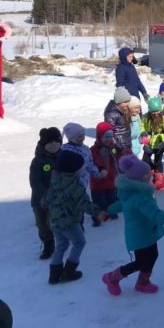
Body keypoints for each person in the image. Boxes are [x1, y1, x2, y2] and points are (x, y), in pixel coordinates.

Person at [102, 156, 164, 296]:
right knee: (141, 262)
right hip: (140, 235)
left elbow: (120, 205)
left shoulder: (133, 193)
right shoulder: (139, 198)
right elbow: (155, 213)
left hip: (146, 232)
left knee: (152, 255)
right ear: (139, 179)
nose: (150, 175)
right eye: (147, 174)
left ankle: (143, 282)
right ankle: (112, 277)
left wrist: (108, 211)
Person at [45, 150, 104, 285]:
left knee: (61, 245)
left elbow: (47, 198)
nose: (82, 169)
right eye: (81, 167)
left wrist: (44, 202)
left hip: (55, 221)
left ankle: (54, 275)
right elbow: (83, 202)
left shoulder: (55, 180)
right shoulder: (74, 185)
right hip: (69, 221)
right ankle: (69, 271)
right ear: (72, 169)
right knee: (79, 242)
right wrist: (97, 212)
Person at [29, 127, 62, 259]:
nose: (54, 145)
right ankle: (48, 244)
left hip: (59, 198)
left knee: (56, 221)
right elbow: (35, 181)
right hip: (40, 200)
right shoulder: (38, 161)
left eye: (56, 142)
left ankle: (61, 241)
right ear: (44, 144)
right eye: (50, 142)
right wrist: (46, 195)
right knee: (43, 224)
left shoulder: (63, 157)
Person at [140, 96, 164, 190]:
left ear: (160, 109)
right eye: (153, 111)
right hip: (149, 142)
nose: (155, 113)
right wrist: (143, 134)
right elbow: (142, 127)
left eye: (157, 111)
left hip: (160, 143)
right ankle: (151, 171)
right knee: (145, 160)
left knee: (158, 161)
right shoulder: (146, 117)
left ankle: (159, 179)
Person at [89, 122, 119, 226]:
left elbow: (120, 156)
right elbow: (91, 162)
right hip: (98, 182)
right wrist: (100, 168)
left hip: (111, 180)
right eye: (105, 137)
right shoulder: (93, 150)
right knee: (99, 201)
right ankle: (97, 217)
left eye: (110, 137)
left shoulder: (113, 147)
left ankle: (111, 212)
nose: (108, 139)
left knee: (111, 198)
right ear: (99, 136)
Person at [60, 122, 106, 190]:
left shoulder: (86, 149)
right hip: (68, 185)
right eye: (79, 137)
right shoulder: (64, 150)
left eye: (83, 135)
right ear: (71, 138)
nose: (82, 138)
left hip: (83, 184)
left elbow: (90, 165)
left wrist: (98, 174)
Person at [103, 87, 132, 156]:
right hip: (119, 147)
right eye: (125, 102)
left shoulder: (122, 109)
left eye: (128, 101)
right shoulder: (112, 114)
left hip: (125, 145)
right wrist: (118, 146)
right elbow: (110, 133)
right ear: (118, 102)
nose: (128, 104)